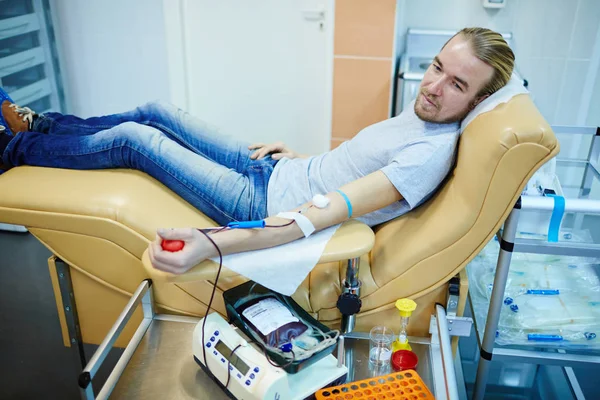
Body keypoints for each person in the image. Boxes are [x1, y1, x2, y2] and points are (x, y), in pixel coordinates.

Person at [0, 27, 514, 274]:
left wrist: (213, 243)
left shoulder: (430, 152)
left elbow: (316, 216)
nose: (434, 86)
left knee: (138, 142)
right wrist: (301, 159)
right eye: (437, 67)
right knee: (158, 110)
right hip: (278, 169)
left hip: (257, 203)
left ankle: (14, 147)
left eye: (457, 85)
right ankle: (43, 124)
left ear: (479, 99)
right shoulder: (426, 110)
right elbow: (348, 169)